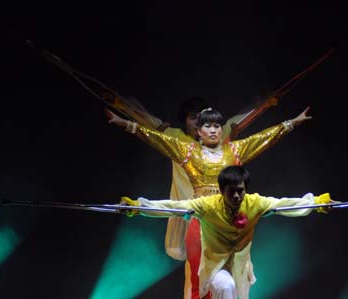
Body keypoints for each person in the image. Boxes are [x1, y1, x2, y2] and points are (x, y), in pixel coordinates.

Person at [106, 106, 311, 299]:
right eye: (207, 126)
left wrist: (293, 122)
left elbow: (264, 138)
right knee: (201, 283)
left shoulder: (234, 151)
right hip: (202, 222)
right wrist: (124, 123)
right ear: (199, 130)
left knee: (234, 282)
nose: (213, 130)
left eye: (217, 126)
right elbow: (156, 139)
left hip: (229, 223)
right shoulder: (188, 151)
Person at [119, 165, 334, 299]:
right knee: (225, 285)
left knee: (234, 289)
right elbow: (173, 207)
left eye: (241, 191)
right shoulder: (208, 205)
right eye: (233, 192)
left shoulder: (255, 203)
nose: (238, 196)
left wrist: (316, 203)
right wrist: (138, 206)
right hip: (214, 267)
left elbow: (286, 205)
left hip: (241, 267)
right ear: (222, 190)